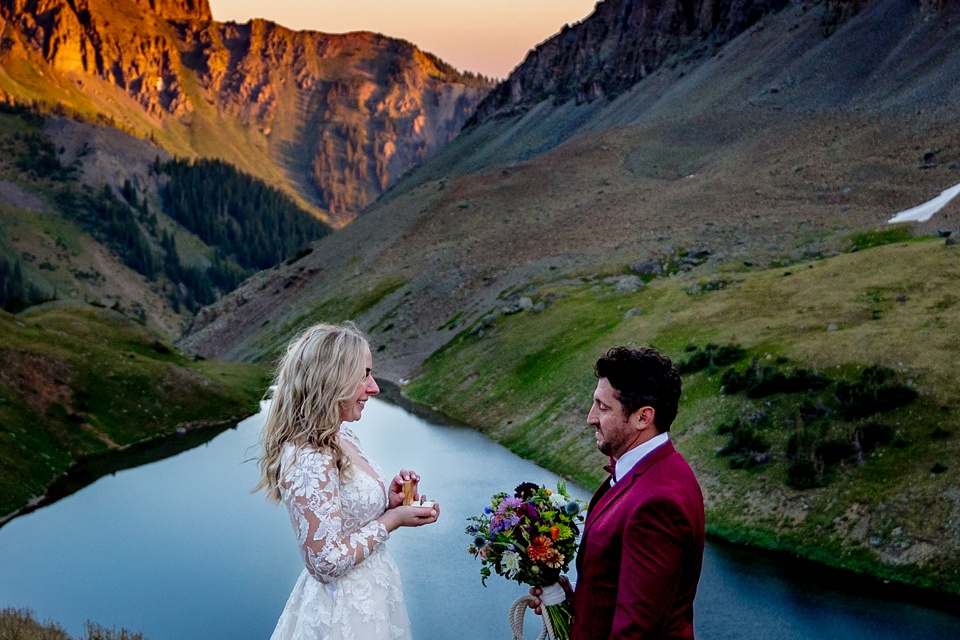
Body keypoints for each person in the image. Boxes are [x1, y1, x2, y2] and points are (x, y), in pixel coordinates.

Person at [256, 322, 439, 640]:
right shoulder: (309, 454)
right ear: (331, 379)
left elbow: (347, 514)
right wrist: (392, 520)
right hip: (343, 612)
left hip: (372, 597)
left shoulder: (342, 435)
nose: (374, 387)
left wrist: (390, 500)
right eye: (364, 375)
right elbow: (324, 562)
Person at [532, 346, 705, 639]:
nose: (591, 418)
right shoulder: (653, 470)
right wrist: (569, 601)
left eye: (603, 407)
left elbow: (636, 632)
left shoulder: (658, 503)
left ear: (643, 417)